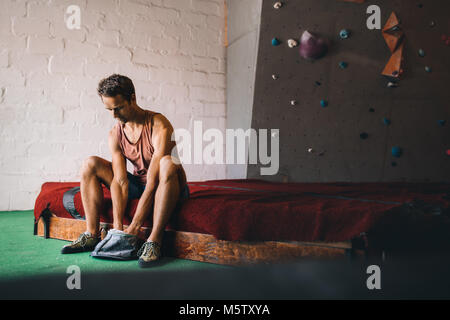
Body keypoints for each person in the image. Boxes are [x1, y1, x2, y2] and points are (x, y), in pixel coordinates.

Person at [61, 74, 188, 268]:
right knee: (90, 163)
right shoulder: (115, 133)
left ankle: (154, 241)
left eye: (118, 107)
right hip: (139, 183)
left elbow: (153, 182)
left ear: (133, 98)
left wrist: (135, 225)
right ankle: (92, 234)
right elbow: (120, 181)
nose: (114, 115)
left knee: (168, 163)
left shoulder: (159, 125)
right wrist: (118, 228)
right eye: (109, 109)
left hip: (168, 182)